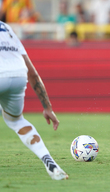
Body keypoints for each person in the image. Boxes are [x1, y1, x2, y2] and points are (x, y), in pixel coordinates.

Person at [0, 21, 69, 179]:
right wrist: (47, 107)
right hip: (18, 75)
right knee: (17, 121)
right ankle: (50, 163)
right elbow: (32, 73)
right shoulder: (6, 28)